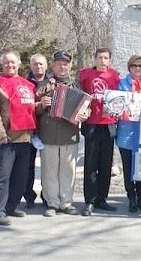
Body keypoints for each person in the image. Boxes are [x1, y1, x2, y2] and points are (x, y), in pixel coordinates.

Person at [0, 51, 38, 226]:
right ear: (2, 65)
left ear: (19, 64)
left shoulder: (27, 84)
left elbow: (29, 107)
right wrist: (0, 134)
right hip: (7, 138)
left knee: (20, 177)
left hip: (25, 138)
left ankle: (11, 206)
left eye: (13, 62)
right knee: (2, 177)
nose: (10, 65)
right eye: (6, 62)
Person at [35, 51, 89, 217]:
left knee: (68, 171)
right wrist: (41, 104)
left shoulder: (76, 86)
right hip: (49, 134)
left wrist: (85, 114)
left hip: (69, 135)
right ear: (53, 65)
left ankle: (66, 203)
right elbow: (33, 109)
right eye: (59, 63)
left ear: (70, 66)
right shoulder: (44, 84)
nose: (62, 67)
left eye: (65, 64)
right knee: (49, 171)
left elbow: (86, 107)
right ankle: (52, 203)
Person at [78, 47, 121, 216]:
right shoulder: (85, 75)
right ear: (94, 59)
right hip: (92, 124)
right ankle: (90, 201)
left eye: (106, 58)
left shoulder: (115, 76)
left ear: (109, 60)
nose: (103, 61)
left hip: (108, 124)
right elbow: (79, 95)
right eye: (100, 57)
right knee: (90, 165)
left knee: (105, 165)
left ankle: (102, 199)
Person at [116, 55, 141, 213]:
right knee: (128, 168)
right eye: (134, 65)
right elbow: (117, 104)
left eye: (140, 66)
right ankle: (131, 197)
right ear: (129, 67)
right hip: (126, 130)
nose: (137, 68)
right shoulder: (122, 83)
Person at [25, 53, 51, 208]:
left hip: (48, 128)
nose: (38, 67)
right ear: (30, 66)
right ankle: (28, 195)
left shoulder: (53, 82)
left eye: (41, 64)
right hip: (30, 129)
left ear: (46, 65)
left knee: (48, 166)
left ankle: (47, 195)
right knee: (28, 165)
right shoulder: (24, 83)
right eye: (35, 64)